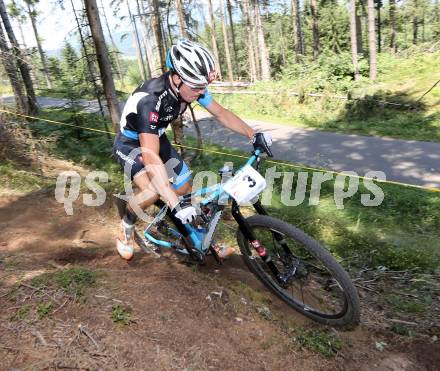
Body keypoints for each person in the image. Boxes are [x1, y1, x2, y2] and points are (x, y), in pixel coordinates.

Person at [113, 39, 272, 261]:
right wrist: (174, 202)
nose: (201, 92)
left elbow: (221, 113)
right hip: (131, 144)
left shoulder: (191, 87)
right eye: (197, 87)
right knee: (154, 190)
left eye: (203, 87)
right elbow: (150, 156)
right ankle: (126, 227)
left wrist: (252, 134)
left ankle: (195, 235)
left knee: (185, 186)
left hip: (156, 138)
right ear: (177, 78)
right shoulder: (151, 100)